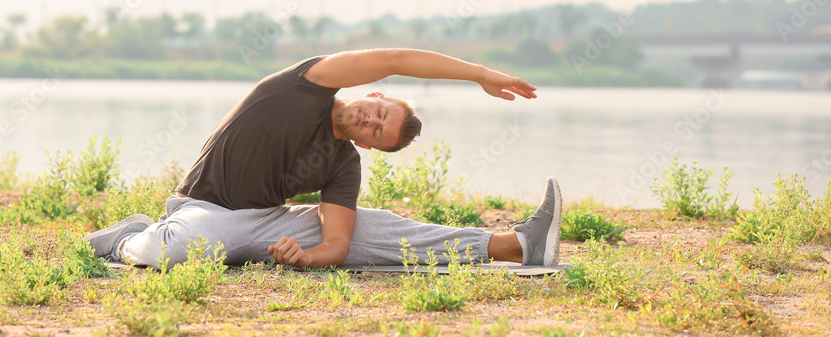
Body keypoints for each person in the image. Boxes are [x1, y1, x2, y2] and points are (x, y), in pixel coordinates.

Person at [84, 48, 562, 271]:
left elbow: (335, 243)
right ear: (375, 93)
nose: (371, 120)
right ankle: (129, 238)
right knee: (188, 246)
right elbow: (397, 57)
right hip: (204, 211)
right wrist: (478, 73)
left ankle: (516, 246)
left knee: (372, 230)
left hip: (265, 223)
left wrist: (306, 256)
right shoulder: (307, 83)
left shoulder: (344, 162)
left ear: (372, 146)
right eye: (379, 111)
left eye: (378, 130)